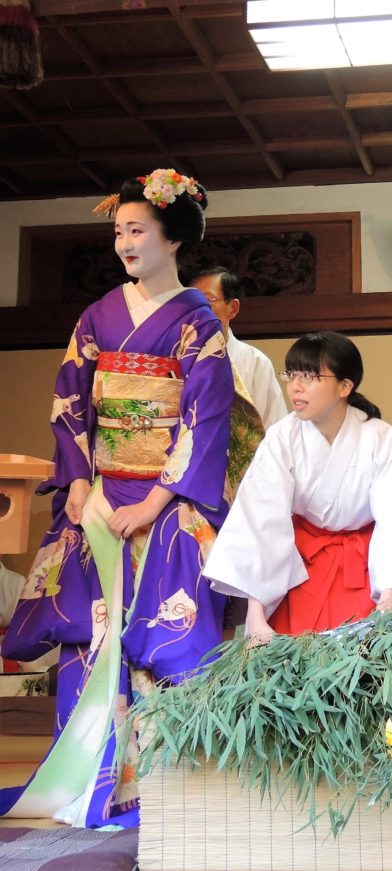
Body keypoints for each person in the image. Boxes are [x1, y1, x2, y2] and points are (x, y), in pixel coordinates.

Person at [0, 169, 236, 829]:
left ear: (172, 239)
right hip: (102, 495)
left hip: (165, 497)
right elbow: (71, 397)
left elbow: (206, 417)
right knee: (91, 630)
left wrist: (160, 499)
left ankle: (165, 783)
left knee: (163, 630)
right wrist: (78, 480)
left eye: (136, 230)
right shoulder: (98, 315)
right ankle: (87, 773)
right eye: (118, 232)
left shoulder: (197, 322)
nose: (124, 243)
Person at [203, 331, 392, 641]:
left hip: (365, 573)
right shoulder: (282, 437)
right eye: (291, 375)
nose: (295, 387)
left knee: (366, 669)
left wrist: (389, 600)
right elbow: (260, 521)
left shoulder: (380, 438)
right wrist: (256, 618)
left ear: (345, 386)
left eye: (309, 377)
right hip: (298, 571)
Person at [192, 266, 287, 429]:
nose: (198, 311)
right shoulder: (177, 357)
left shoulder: (255, 362)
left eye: (208, 301)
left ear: (233, 308)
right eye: (193, 303)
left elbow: (275, 426)